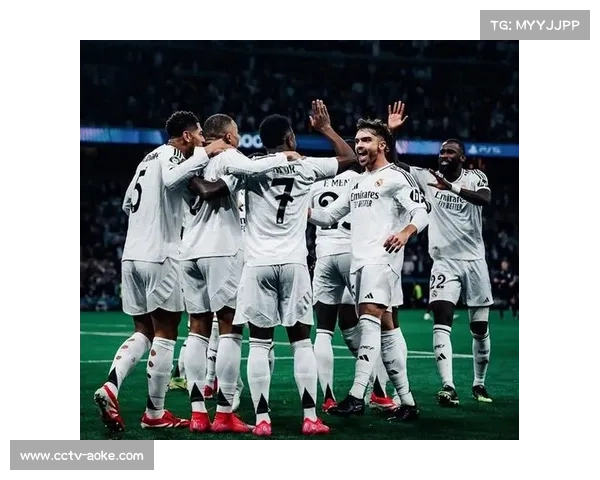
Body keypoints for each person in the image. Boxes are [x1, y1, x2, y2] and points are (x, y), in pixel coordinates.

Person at [198, 103, 357, 436]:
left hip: (257, 264)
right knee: (301, 343)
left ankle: (262, 420)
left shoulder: (251, 168)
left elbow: (213, 190)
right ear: (291, 138)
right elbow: (350, 158)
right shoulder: (307, 166)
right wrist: (326, 129)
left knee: (259, 344)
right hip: (295, 263)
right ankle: (310, 417)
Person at [94, 111, 228, 432]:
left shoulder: (146, 160)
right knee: (167, 332)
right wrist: (209, 152)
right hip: (160, 255)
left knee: (143, 331)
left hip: (132, 255)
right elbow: (170, 179)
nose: (202, 139)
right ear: (186, 136)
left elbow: (127, 203)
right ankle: (154, 413)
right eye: (199, 134)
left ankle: (111, 386)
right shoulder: (172, 155)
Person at [309, 117, 428, 421]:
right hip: (359, 263)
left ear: (382, 145)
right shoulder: (358, 181)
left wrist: (405, 232)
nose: (359, 146)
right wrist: (301, 210)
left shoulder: (397, 177)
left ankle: (356, 395)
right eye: (358, 140)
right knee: (386, 329)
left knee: (369, 322)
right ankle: (408, 402)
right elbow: (328, 216)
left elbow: (421, 212)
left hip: (381, 260)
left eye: (366, 140)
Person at [180, 113, 293, 433]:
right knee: (230, 328)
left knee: (197, 329)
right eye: (237, 132)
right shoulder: (229, 156)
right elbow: (249, 171)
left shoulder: (190, 162)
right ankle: (224, 412)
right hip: (220, 249)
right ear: (228, 137)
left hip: (188, 249)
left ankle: (197, 413)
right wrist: (286, 156)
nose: (240, 137)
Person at [387, 101, 494, 405]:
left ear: (462, 158)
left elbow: (485, 199)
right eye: (442, 151)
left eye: (450, 152)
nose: (444, 155)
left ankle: (479, 383)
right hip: (444, 261)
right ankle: (448, 385)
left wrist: (451, 188)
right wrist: (393, 134)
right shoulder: (428, 177)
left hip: (474, 261)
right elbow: (396, 165)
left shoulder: (475, 177)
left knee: (479, 328)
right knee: (441, 319)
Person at [307, 103, 395, 413]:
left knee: (324, 330)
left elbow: (317, 215)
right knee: (374, 324)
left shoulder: (314, 181)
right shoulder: (359, 178)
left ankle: (328, 396)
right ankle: (381, 391)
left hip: (324, 255)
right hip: (356, 255)